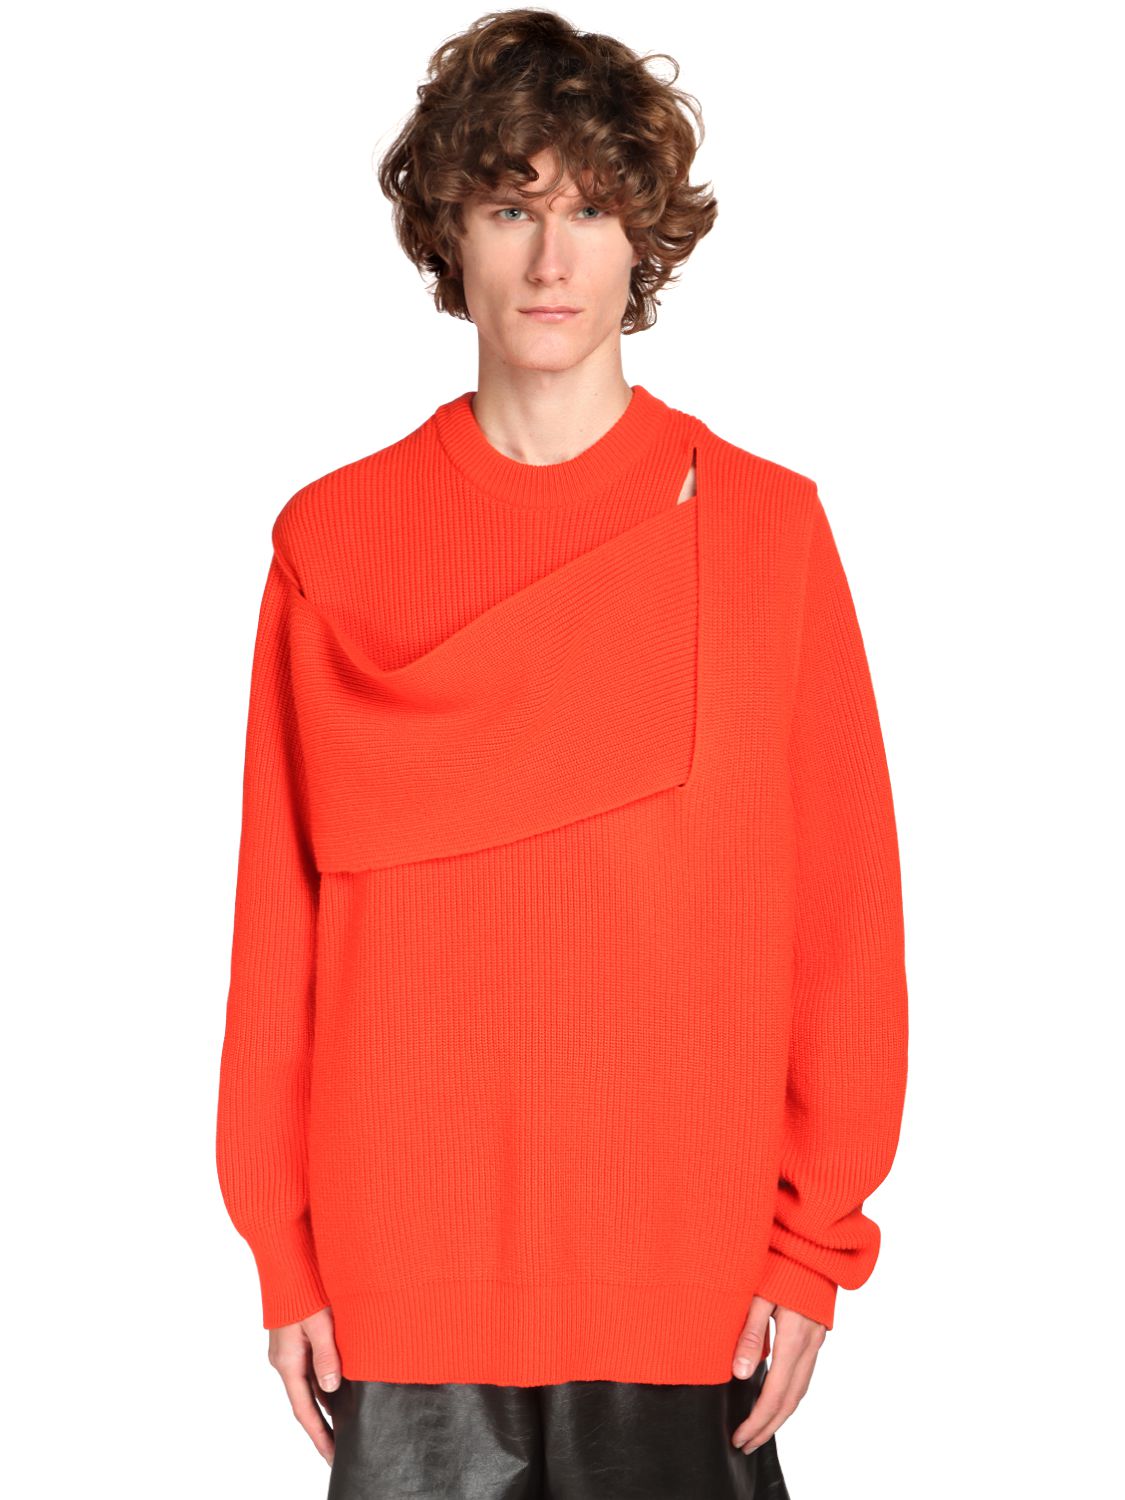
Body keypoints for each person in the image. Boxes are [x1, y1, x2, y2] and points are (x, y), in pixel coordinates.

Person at [215, 9, 909, 1496]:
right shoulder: (331, 542)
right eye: (508, 207)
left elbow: (844, 924)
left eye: (590, 211)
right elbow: (278, 931)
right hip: (403, 1278)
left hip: (684, 1273)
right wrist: (282, 1249)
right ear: (447, 233)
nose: (550, 259)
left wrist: (811, 1243)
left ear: (642, 239)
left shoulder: (767, 532)